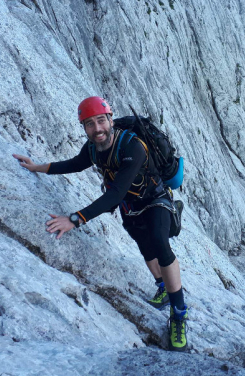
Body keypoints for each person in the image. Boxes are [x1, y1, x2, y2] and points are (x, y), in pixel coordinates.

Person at [12, 96, 188, 351]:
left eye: (101, 121)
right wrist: (37, 167)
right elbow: (74, 164)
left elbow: (114, 195)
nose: (97, 129)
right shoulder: (93, 148)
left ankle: (179, 314)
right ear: (84, 127)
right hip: (131, 206)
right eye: (90, 124)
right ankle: (163, 287)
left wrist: (75, 219)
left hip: (155, 199)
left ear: (110, 120)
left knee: (160, 243)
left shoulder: (133, 147)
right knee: (144, 245)